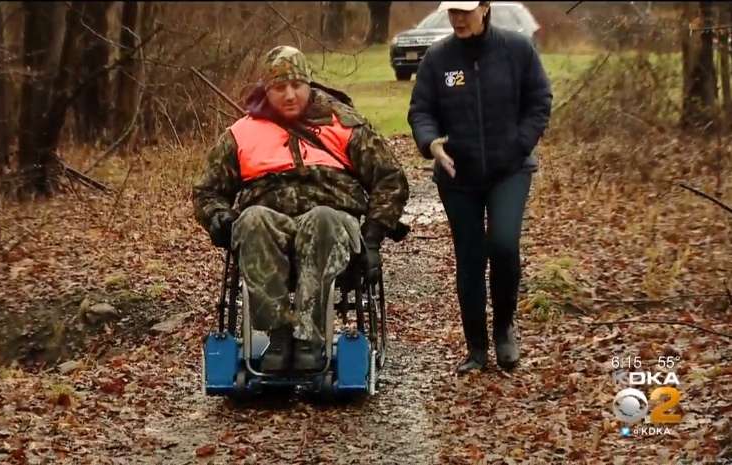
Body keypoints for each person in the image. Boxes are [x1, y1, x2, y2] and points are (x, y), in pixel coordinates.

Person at [194, 45, 410, 373]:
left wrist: (374, 235)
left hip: (331, 225)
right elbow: (207, 191)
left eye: (297, 85)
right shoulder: (241, 133)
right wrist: (218, 218)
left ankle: (309, 338)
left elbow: (390, 178)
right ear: (267, 90)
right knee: (252, 220)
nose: (290, 95)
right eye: (280, 88)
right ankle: (280, 335)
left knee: (323, 219)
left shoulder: (343, 124)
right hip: (268, 229)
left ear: (309, 84)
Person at [407, 1, 552, 374]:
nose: (457, 18)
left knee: (503, 244)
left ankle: (504, 329)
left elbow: (539, 101)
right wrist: (431, 143)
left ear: (485, 7)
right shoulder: (438, 59)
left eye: (465, 10)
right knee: (470, 257)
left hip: (509, 170)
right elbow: (421, 110)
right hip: (458, 175)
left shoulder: (516, 50)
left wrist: (520, 144)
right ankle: (476, 347)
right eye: (452, 11)